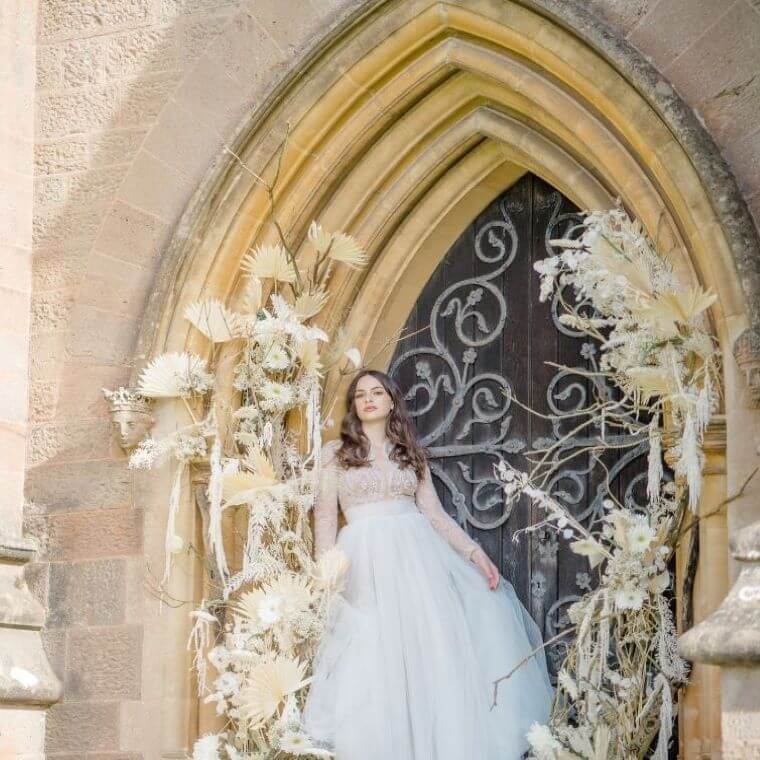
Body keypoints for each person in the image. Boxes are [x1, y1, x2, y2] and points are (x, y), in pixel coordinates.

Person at [301, 369, 553, 759]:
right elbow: (324, 522)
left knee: (427, 653)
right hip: (362, 561)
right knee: (372, 654)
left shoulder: (408, 452)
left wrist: (474, 553)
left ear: (390, 402)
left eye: (377, 393)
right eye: (360, 395)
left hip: (416, 562)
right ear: (354, 406)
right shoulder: (335, 454)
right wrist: (325, 579)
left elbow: (435, 514)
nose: (368, 399)